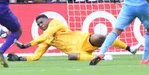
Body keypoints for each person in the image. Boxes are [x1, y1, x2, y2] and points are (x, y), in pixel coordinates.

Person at [10, 14, 140, 61]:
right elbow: (36, 56)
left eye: (42, 22)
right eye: (38, 25)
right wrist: (21, 58)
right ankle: (102, 57)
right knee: (71, 56)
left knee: (99, 37)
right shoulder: (46, 41)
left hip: (83, 40)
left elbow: (46, 35)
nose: (41, 25)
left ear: (48, 20)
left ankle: (129, 48)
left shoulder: (55, 23)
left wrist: (27, 44)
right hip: (78, 51)